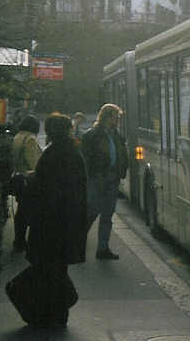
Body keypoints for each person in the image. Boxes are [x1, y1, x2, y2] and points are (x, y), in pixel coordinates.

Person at [17, 113, 87, 326]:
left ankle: (51, 315)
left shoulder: (51, 154)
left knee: (49, 270)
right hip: (68, 222)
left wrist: (30, 180)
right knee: (57, 269)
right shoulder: (73, 153)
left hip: (48, 223)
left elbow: (42, 189)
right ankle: (58, 314)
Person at [81, 103, 128, 260]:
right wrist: (93, 175)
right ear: (108, 117)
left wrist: (121, 172)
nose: (118, 120)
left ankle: (103, 249)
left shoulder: (118, 136)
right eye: (116, 117)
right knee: (91, 213)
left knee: (107, 215)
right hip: (97, 178)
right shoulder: (91, 135)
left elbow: (122, 155)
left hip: (113, 178)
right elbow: (86, 159)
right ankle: (78, 243)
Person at [11, 114, 43, 251]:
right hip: (28, 180)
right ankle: (22, 242)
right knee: (27, 212)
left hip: (18, 177)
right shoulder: (30, 139)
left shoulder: (18, 136)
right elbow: (33, 163)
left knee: (21, 212)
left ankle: (19, 240)